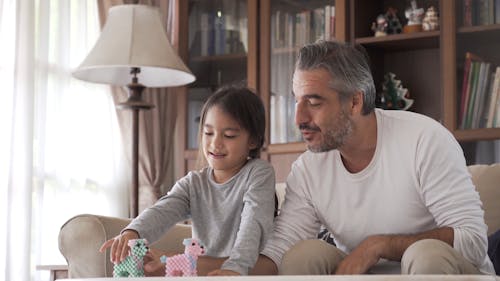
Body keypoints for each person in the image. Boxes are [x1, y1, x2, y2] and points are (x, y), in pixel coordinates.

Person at [253, 40, 495, 275]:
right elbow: (280, 248)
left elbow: (472, 239)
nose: (298, 119)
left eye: (314, 102)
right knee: (301, 255)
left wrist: (380, 245)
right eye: (297, 101)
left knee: (426, 254)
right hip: (364, 275)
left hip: (442, 271)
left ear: (355, 102)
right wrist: (231, 272)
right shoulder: (308, 168)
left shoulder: (424, 139)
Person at [99, 84, 276, 276]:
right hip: (201, 273)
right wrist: (132, 232)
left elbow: (253, 223)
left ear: (254, 140)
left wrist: (236, 268)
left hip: (247, 271)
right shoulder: (193, 183)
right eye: (208, 133)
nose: (215, 143)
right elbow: (162, 211)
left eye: (229, 135)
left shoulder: (259, 173)